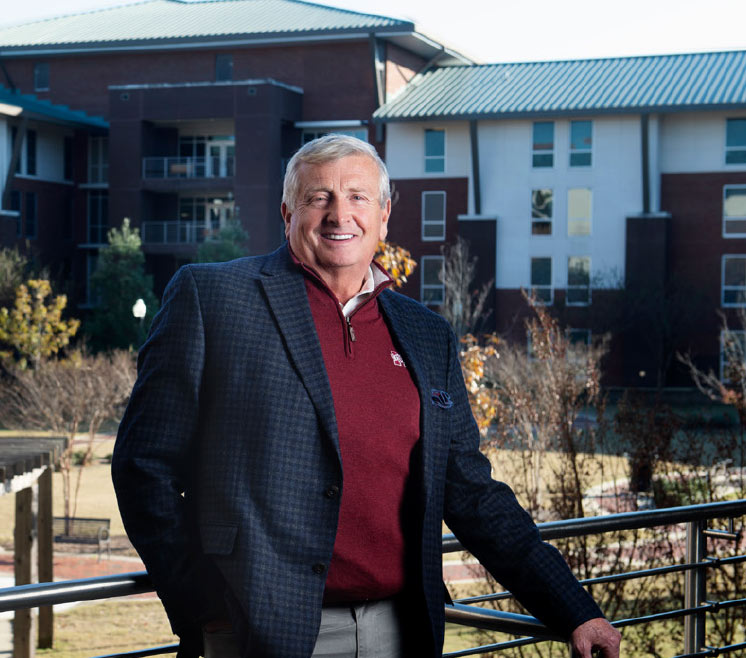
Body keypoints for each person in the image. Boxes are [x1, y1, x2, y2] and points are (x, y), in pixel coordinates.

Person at [112, 135, 621, 658]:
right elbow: (143, 464)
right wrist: (201, 602)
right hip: (256, 629)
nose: (339, 215)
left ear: (384, 217)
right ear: (288, 212)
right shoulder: (214, 297)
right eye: (319, 198)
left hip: (399, 630)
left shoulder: (426, 334)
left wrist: (575, 610)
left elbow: (471, 491)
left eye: (358, 197)